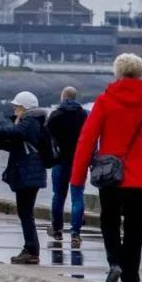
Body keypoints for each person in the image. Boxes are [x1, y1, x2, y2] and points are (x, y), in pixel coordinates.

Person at [72, 54, 142, 282]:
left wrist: (77, 178)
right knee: (135, 229)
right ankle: (131, 280)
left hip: (110, 177)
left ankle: (115, 262)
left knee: (109, 223)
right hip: (141, 179)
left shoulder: (105, 101)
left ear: (117, 73)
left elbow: (86, 140)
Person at [0, 91, 49, 265]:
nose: (14, 110)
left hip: (29, 174)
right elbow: (16, 142)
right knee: (25, 212)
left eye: (17, 107)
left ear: (25, 108)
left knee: (25, 213)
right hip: (33, 173)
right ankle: (30, 248)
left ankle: (31, 249)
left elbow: (12, 133)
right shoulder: (36, 121)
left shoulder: (29, 122)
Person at [45, 86, 89, 248]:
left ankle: (57, 229)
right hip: (78, 161)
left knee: (59, 195)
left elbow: (46, 137)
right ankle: (75, 233)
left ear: (62, 97)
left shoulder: (55, 115)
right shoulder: (84, 115)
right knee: (77, 196)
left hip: (60, 160)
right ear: (75, 97)